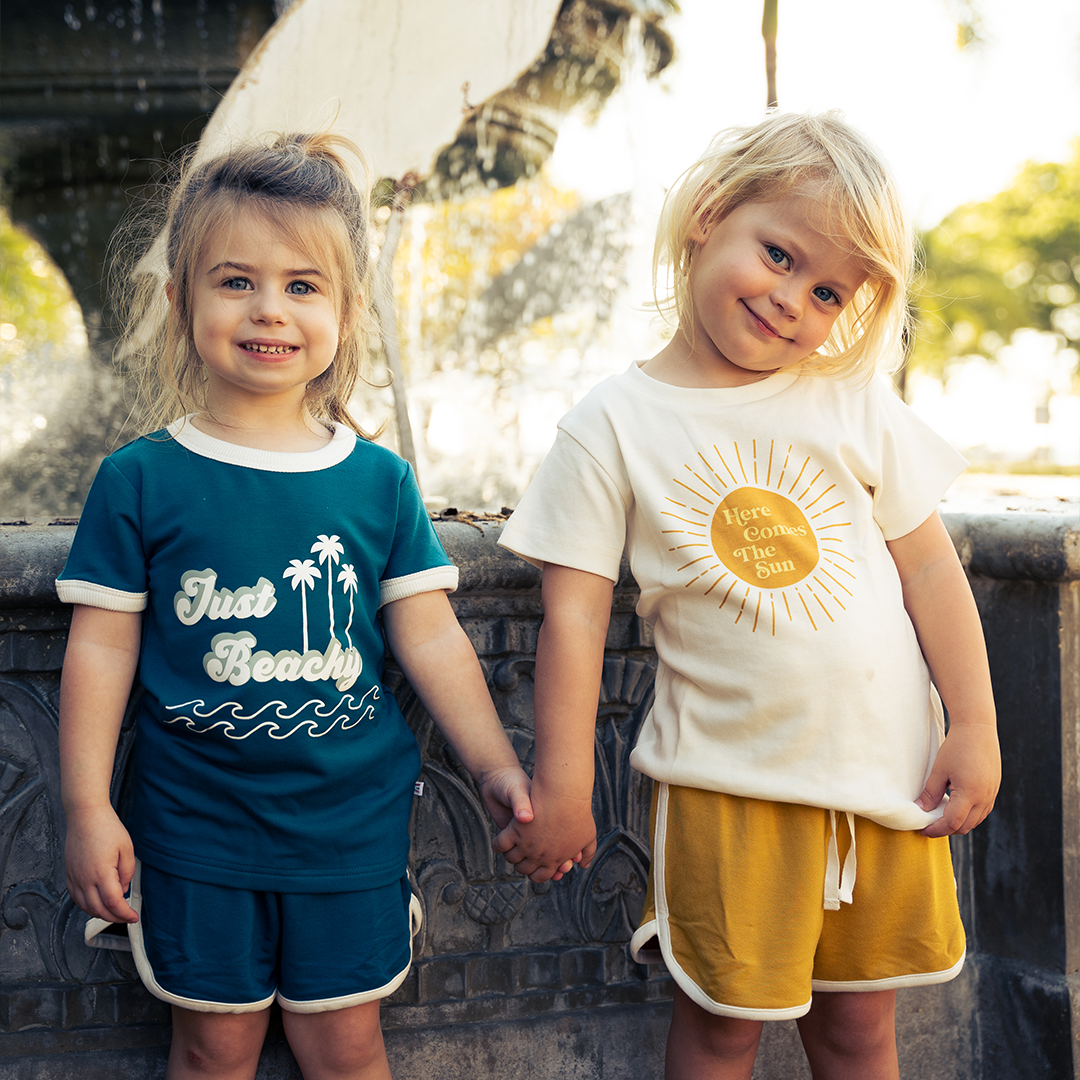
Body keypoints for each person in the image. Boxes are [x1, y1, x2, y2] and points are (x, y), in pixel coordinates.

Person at [493, 111, 1000, 1080]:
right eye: (777, 253)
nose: (790, 301)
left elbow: (931, 570)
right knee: (723, 1030)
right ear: (709, 216)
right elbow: (574, 615)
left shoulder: (848, 400)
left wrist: (973, 721)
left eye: (825, 291)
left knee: (860, 1034)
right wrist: (562, 784)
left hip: (881, 785)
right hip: (732, 788)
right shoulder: (613, 425)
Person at [57, 131, 535, 1080]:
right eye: (234, 281)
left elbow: (430, 635)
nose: (268, 308)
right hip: (194, 833)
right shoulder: (139, 480)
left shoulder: (378, 482)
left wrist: (491, 763)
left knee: (346, 1046)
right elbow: (102, 651)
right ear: (179, 301)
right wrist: (83, 805)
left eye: (302, 286)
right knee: (211, 1049)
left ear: (347, 311)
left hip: (346, 833)